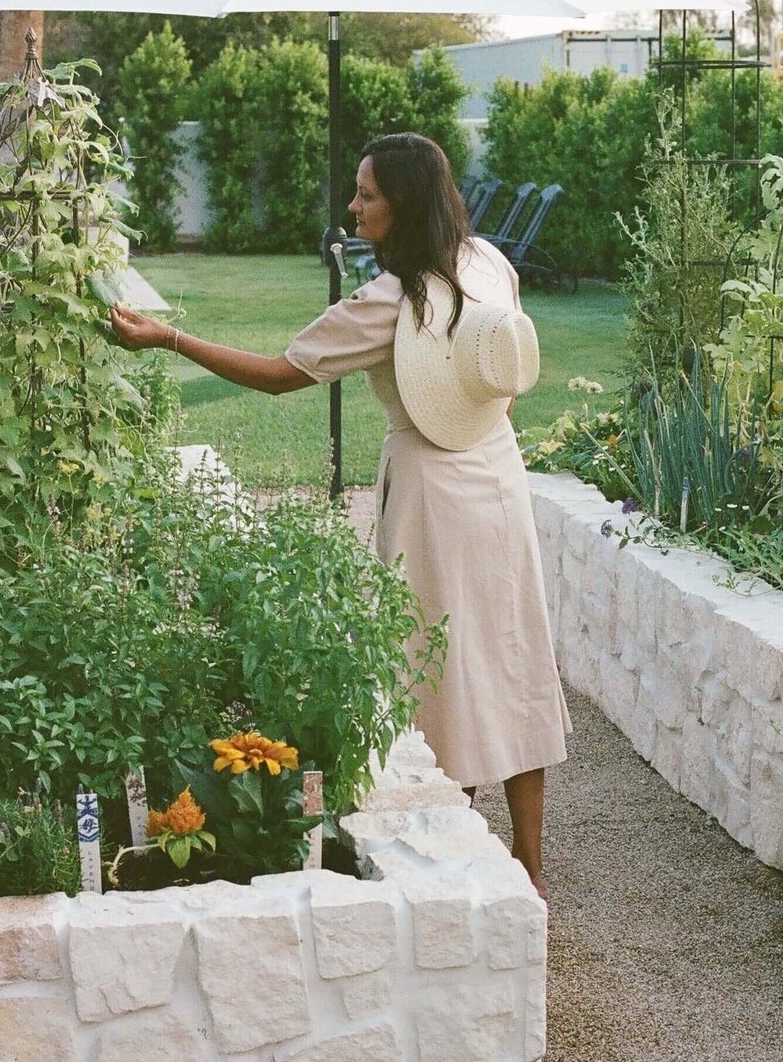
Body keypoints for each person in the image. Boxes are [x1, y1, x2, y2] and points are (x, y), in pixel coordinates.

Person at [110, 132, 570, 897]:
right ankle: (529, 868)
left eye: (367, 195)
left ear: (403, 205)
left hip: (430, 490)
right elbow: (507, 377)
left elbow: (277, 376)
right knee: (513, 657)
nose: (352, 207)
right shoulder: (490, 261)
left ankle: (453, 859)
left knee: (432, 668)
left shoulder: (388, 303)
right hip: (498, 469)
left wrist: (169, 337)